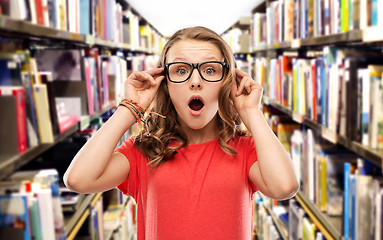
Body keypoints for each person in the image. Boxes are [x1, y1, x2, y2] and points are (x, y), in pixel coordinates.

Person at [64, 26, 299, 240]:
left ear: (226, 82)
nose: (195, 81)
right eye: (181, 70)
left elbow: (284, 187)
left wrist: (250, 112)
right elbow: (78, 180)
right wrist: (130, 108)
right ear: (166, 84)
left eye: (209, 70)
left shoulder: (245, 149)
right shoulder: (144, 151)